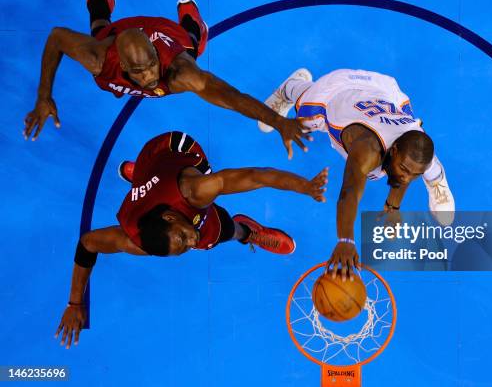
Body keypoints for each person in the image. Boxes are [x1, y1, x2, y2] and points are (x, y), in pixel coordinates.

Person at [55, 131, 328, 348]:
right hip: (153, 185)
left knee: (216, 232)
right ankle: (140, 175)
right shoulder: (136, 240)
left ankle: (245, 231)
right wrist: (74, 303)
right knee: (202, 239)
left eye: (183, 237)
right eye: (184, 247)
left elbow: (257, 176)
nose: (191, 239)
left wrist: (306, 186)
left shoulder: (195, 190)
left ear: (171, 218)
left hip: (172, 150)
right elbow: (88, 244)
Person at [24, 0, 310, 159]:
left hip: (167, 36)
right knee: (99, 27)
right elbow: (56, 37)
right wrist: (43, 96)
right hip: (119, 36)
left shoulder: (177, 72)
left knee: (193, 44)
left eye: (150, 66)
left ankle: (193, 21)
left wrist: (277, 121)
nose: (149, 75)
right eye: (139, 71)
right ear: (122, 64)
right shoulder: (100, 58)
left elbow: (234, 99)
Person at [259, 68, 455, 279]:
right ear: (394, 149)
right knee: (302, 122)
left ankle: (437, 182)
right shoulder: (366, 151)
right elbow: (349, 192)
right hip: (336, 91)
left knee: (426, 162)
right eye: (405, 171)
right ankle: (290, 87)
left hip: (382, 90)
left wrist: (392, 206)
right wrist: (346, 241)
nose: (408, 178)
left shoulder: (412, 141)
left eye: (414, 175)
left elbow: (406, 171)